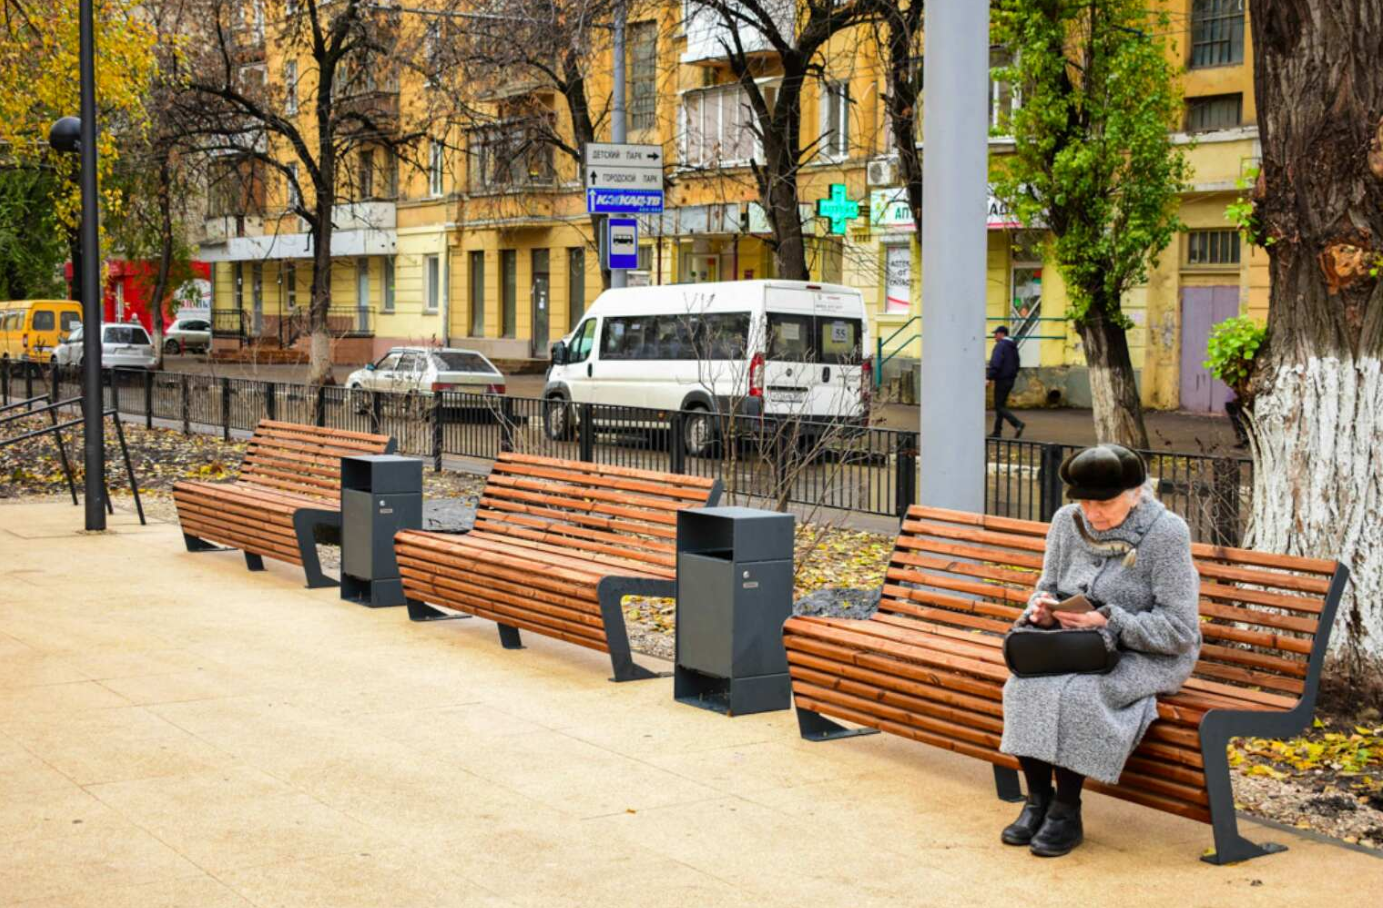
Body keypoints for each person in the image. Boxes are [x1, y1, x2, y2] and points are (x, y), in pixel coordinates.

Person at [999, 444, 1201, 857]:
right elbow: (1049, 586)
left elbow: (1179, 631)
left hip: (1146, 653)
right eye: (1084, 501)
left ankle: (1065, 811)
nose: (1091, 512)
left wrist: (1109, 621)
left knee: (1081, 695)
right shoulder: (1066, 521)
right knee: (1022, 688)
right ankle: (1036, 802)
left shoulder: (1166, 533)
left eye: (1102, 502)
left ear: (1136, 492)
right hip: (1072, 644)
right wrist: (1041, 612)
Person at [986, 326, 1024, 439]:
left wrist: (989, 377)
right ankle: (997, 431)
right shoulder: (1013, 346)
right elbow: (1017, 364)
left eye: (996, 334)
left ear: (1001, 334)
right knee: (1001, 405)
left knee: (999, 406)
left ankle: (1017, 424)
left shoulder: (1000, 345)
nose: (994, 336)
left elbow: (996, 363)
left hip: (1002, 379)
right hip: (1010, 379)